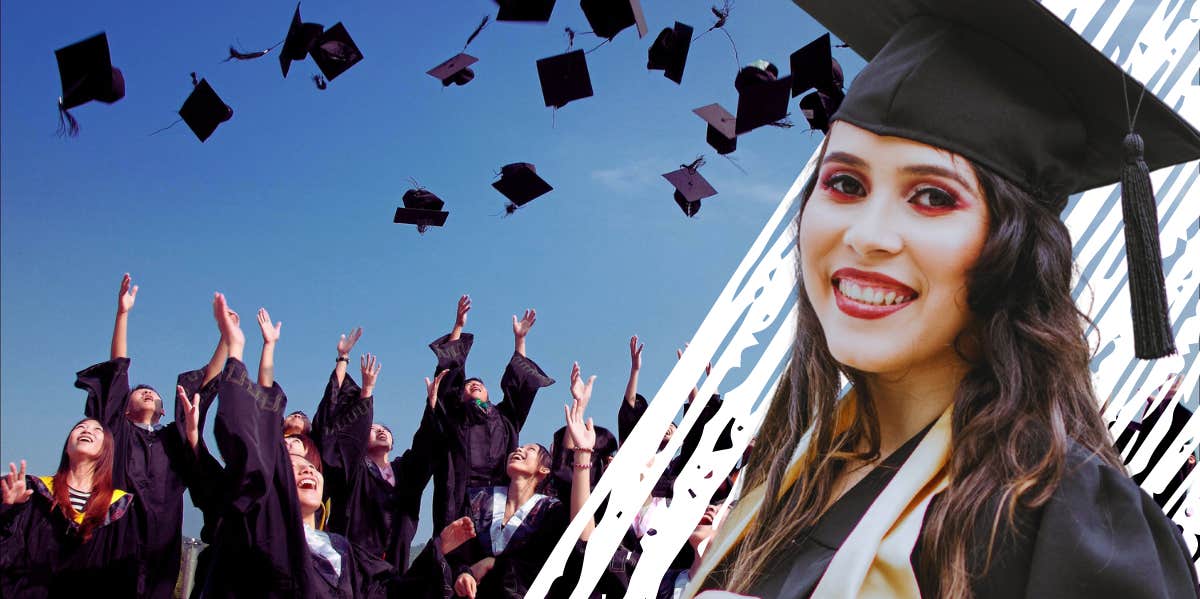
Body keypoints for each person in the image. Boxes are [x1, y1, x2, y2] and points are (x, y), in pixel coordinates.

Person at [687, 1, 1200, 597]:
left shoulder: (1062, 519)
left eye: (932, 197)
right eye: (845, 184)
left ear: (1013, 250)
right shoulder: (792, 479)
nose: (867, 235)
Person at [201, 292, 469, 598]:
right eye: (294, 463)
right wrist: (239, 350)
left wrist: (437, 550)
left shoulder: (343, 553)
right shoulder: (264, 531)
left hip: (385, 555)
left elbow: (391, 592)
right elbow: (253, 437)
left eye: (312, 467)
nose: (309, 471)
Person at [73, 273, 204, 599]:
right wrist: (123, 314)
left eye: (153, 393)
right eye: (140, 391)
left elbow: (203, 389)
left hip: (160, 553)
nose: (147, 393)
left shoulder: (172, 441)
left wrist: (226, 342)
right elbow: (118, 369)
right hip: (112, 546)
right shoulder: (117, 433)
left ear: (162, 411)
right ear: (125, 408)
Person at [449, 362, 597, 599]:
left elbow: (577, 538)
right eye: (518, 447)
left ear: (543, 470)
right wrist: (463, 572)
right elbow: (460, 555)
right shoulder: (479, 501)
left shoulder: (549, 510)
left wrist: (579, 412)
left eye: (530, 449)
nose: (519, 450)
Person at [425, 294, 555, 532]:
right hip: (457, 500)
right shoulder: (454, 416)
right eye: (468, 385)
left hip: (497, 502)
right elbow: (447, 379)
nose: (473, 385)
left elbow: (519, 386)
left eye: (480, 385)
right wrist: (458, 327)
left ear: (488, 394)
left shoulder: (504, 418)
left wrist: (520, 340)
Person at [313, 343, 440, 574]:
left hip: (392, 565)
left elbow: (425, 449)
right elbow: (341, 441)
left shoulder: (404, 471)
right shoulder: (355, 468)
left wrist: (430, 406)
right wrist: (366, 392)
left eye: (386, 430)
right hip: (353, 563)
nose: (381, 431)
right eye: (373, 428)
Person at [0, 419, 143, 595]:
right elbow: (7, 554)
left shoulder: (120, 507)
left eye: (97, 430)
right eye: (80, 427)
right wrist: (10, 510)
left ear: (107, 450)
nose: (87, 431)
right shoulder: (33, 491)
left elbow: (126, 575)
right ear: (67, 447)